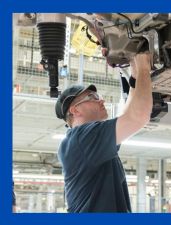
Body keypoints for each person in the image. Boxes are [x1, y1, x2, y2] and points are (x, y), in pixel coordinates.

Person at [54, 53, 153, 212]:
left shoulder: (87, 141)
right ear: (75, 110)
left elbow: (127, 117)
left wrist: (135, 74)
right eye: (92, 97)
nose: (101, 100)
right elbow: (138, 117)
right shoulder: (82, 139)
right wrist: (143, 66)